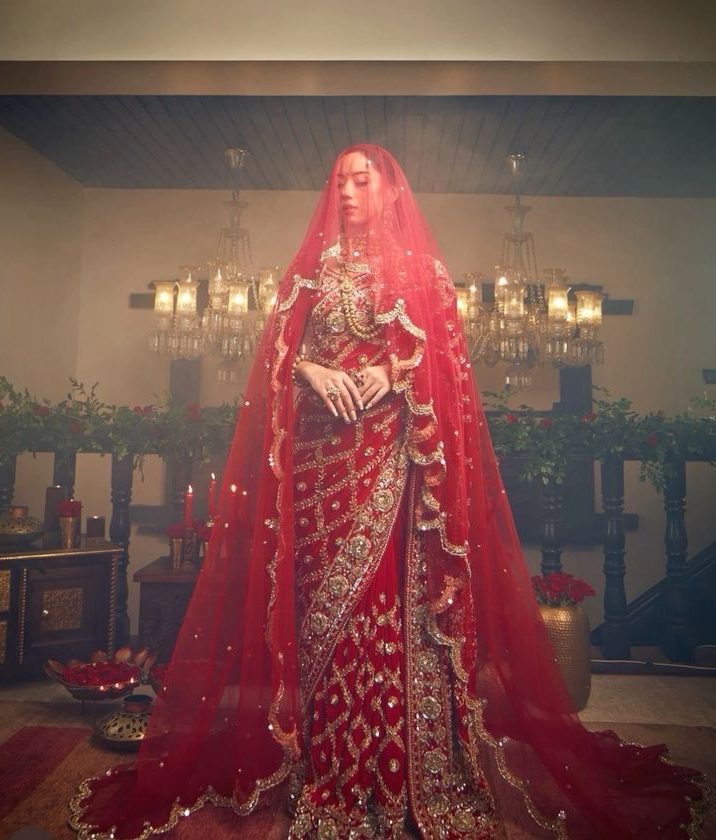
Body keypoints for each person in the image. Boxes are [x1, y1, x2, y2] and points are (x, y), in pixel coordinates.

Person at [69, 145, 705, 839]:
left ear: (389, 192)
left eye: (360, 178)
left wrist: (396, 375)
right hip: (316, 465)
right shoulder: (305, 275)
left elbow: (448, 366)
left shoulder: (419, 273)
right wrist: (310, 369)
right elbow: (273, 358)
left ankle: (399, 769)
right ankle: (320, 770)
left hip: (385, 461)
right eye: (338, 178)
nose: (345, 189)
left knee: (383, 602)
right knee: (315, 607)